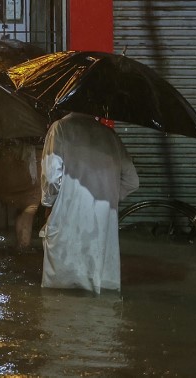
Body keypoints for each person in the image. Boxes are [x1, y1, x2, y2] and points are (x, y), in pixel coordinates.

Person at [40, 112, 140, 294]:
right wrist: (106, 198)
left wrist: (48, 204)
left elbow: (52, 177)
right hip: (103, 224)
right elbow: (132, 181)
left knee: (60, 298)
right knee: (100, 297)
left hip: (66, 218)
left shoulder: (60, 128)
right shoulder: (111, 136)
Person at [0, 136, 42, 251]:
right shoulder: (37, 130)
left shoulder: (5, 134)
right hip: (32, 174)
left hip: (6, 178)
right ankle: (23, 246)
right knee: (29, 209)